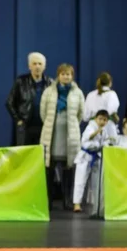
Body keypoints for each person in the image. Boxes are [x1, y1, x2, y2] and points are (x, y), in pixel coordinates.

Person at [40, 63, 85, 210]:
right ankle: (48, 201)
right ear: (58, 75)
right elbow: (43, 112)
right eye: (63, 74)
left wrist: (70, 124)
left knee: (69, 169)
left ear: (72, 76)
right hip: (51, 135)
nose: (66, 77)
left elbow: (81, 114)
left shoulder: (78, 93)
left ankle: (67, 200)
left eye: (68, 74)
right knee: (50, 169)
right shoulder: (48, 91)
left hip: (69, 135)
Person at [6, 52, 53, 145]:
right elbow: (9, 102)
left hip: (44, 126)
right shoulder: (21, 81)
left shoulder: (50, 83)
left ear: (44, 66)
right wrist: (18, 120)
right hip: (25, 126)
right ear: (29, 66)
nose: (37, 67)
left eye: (40, 64)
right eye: (34, 63)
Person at [73, 110, 112, 213]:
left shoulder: (105, 130)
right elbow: (87, 138)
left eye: (104, 120)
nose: (102, 121)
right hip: (85, 156)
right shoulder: (90, 127)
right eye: (100, 119)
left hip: (96, 157)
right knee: (80, 181)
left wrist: (107, 142)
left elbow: (106, 142)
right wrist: (96, 132)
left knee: (96, 183)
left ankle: (96, 204)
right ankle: (77, 203)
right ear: (95, 119)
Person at [83, 72, 120, 144]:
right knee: (109, 152)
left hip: (93, 126)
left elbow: (85, 117)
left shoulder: (90, 95)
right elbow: (111, 111)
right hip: (107, 125)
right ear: (110, 83)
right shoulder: (111, 94)